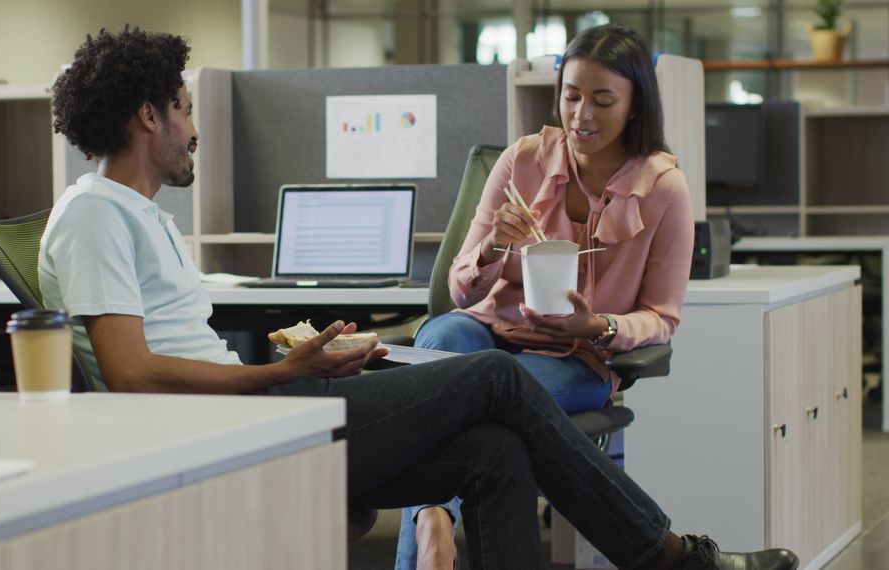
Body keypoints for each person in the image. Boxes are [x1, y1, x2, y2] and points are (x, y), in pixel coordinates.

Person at [39, 25, 798, 570]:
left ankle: (661, 555)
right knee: (494, 375)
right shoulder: (94, 214)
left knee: (497, 454)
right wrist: (279, 373)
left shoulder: (135, 215)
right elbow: (133, 372)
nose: (194, 128)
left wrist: (306, 363)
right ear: (149, 117)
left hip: (269, 410)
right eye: (183, 108)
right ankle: (667, 555)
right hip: (245, 427)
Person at [397, 23, 696, 569]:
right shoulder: (524, 161)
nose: (581, 115)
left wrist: (599, 327)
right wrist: (490, 249)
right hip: (487, 331)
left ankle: (429, 523)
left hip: (576, 358)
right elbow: (459, 289)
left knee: (471, 405)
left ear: (634, 106)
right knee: (442, 333)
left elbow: (662, 317)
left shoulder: (663, 190)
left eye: (602, 100)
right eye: (571, 95)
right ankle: (433, 524)